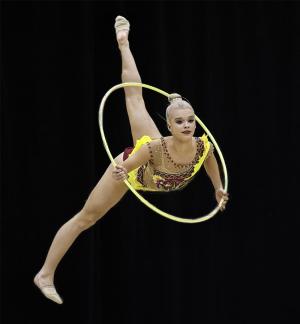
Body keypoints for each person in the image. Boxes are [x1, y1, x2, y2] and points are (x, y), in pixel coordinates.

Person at [33, 16, 229, 304]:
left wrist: (217, 187)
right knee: (87, 217)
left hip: (154, 172)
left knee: (137, 102)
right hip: (136, 173)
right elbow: (125, 167)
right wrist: (120, 171)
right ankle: (45, 274)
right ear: (170, 126)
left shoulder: (203, 145)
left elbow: (211, 160)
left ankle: (125, 44)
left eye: (190, 120)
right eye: (179, 121)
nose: (187, 125)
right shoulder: (152, 148)